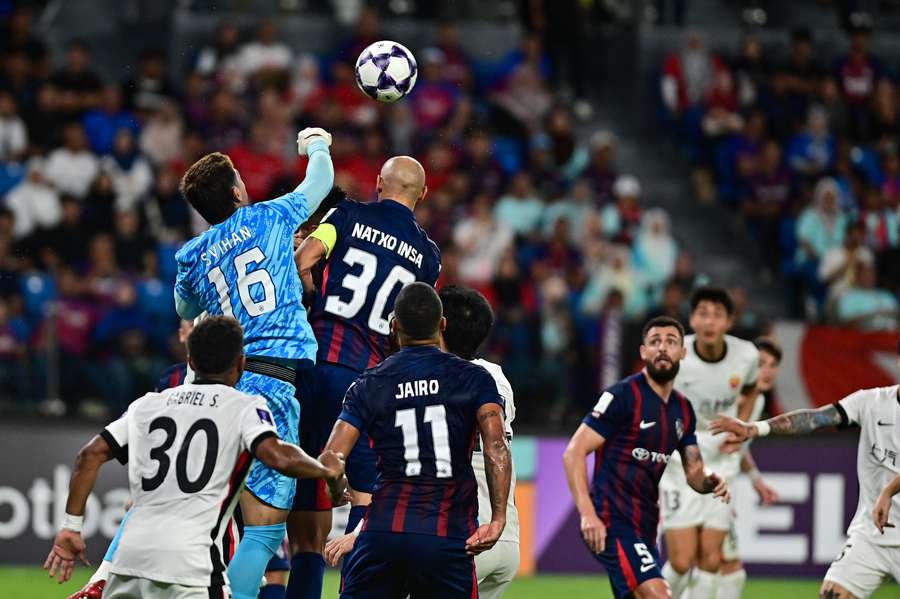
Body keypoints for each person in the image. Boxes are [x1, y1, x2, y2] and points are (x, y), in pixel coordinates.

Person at [43, 316, 346, 598]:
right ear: (241, 363)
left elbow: (89, 455)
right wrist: (324, 468)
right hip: (192, 567)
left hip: (128, 560)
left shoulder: (147, 404)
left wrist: (71, 526)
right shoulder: (245, 407)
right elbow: (278, 456)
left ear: (189, 360)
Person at [173, 127, 334, 599]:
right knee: (264, 531)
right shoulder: (269, 216)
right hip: (272, 385)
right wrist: (317, 143)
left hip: (223, 386)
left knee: (224, 520)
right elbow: (320, 182)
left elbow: (184, 308)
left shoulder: (192, 255)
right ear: (236, 192)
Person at [286, 157, 441, 599]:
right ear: (422, 194)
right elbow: (415, 326)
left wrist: (312, 296)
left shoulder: (348, 214)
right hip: (368, 386)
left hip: (313, 367)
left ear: (378, 183)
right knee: (366, 502)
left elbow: (302, 259)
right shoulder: (428, 257)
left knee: (306, 519)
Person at [323, 285, 521, 598]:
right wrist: (498, 519)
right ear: (440, 325)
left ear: (393, 327)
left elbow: (331, 459)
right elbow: (497, 447)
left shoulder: (369, 383)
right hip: (450, 535)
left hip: (383, 532)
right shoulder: (479, 379)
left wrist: (337, 490)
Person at [563, 315, 730, 599]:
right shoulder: (622, 396)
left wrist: (710, 481)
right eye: (655, 341)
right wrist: (588, 515)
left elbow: (694, 472)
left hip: (646, 526)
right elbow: (574, 453)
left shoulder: (683, 409)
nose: (662, 347)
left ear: (683, 352)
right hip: (611, 519)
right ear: (643, 352)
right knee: (659, 595)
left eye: (671, 342)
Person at [710, 349, 900, 599]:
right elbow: (816, 418)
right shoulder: (871, 402)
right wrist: (756, 428)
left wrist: (887, 492)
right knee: (831, 595)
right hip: (872, 535)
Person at [658, 287, 759, 599]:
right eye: (703, 314)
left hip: (722, 460)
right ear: (692, 320)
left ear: (729, 321)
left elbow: (751, 390)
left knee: (711, 559)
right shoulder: (677, 355)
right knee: (680, 561)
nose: (710, 321)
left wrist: (741, 426)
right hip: (680, 459)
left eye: (717, 315)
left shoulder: (747, 355)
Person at [717, 337, 782, 599]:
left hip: (718, 490)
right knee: (725, 569)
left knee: (703, 566)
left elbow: (738, 449)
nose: (767, 370)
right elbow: (713, 446)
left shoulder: (758, 402)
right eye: (761, 363)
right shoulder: (725, 398)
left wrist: (756, 480)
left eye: (773, 365)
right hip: (704, 488)